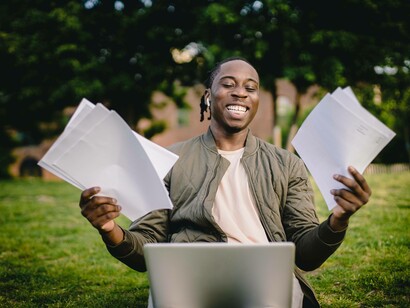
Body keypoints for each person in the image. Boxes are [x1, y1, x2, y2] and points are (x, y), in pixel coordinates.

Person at [79, 57, 372, 307]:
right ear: (208, 96)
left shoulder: (287, 164)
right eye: (228, 84)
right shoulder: (169, 160)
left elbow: (307, 254)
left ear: (256, 100)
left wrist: (338, 220)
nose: (240, 93)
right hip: (188, 281)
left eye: (250, 88)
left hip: (266, 286)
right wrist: (109, 229)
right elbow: (146, 249)